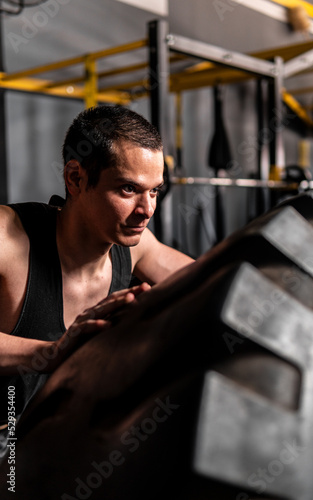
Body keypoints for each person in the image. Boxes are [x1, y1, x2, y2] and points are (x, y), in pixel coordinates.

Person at [0, 104, 194, 454]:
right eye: (128, 189)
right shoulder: (7, 236)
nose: (147, 210)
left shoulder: (136, 247)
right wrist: (51, 352)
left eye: (154, 191)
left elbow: (214, 278)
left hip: (64, 451)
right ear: (75, 178)